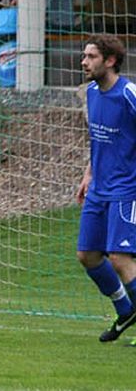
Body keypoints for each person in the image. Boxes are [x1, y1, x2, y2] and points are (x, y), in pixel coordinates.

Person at [75, 34, 136, 342]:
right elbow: (99, 140)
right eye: (84, 56)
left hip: (127, 190)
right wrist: (88, 173)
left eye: (91, 57)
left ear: (110, 61)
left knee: (120, 258)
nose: (84, 62)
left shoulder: (129, 94)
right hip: (99, 188)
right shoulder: (91, 92)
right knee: (87, 255)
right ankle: (126, 309)